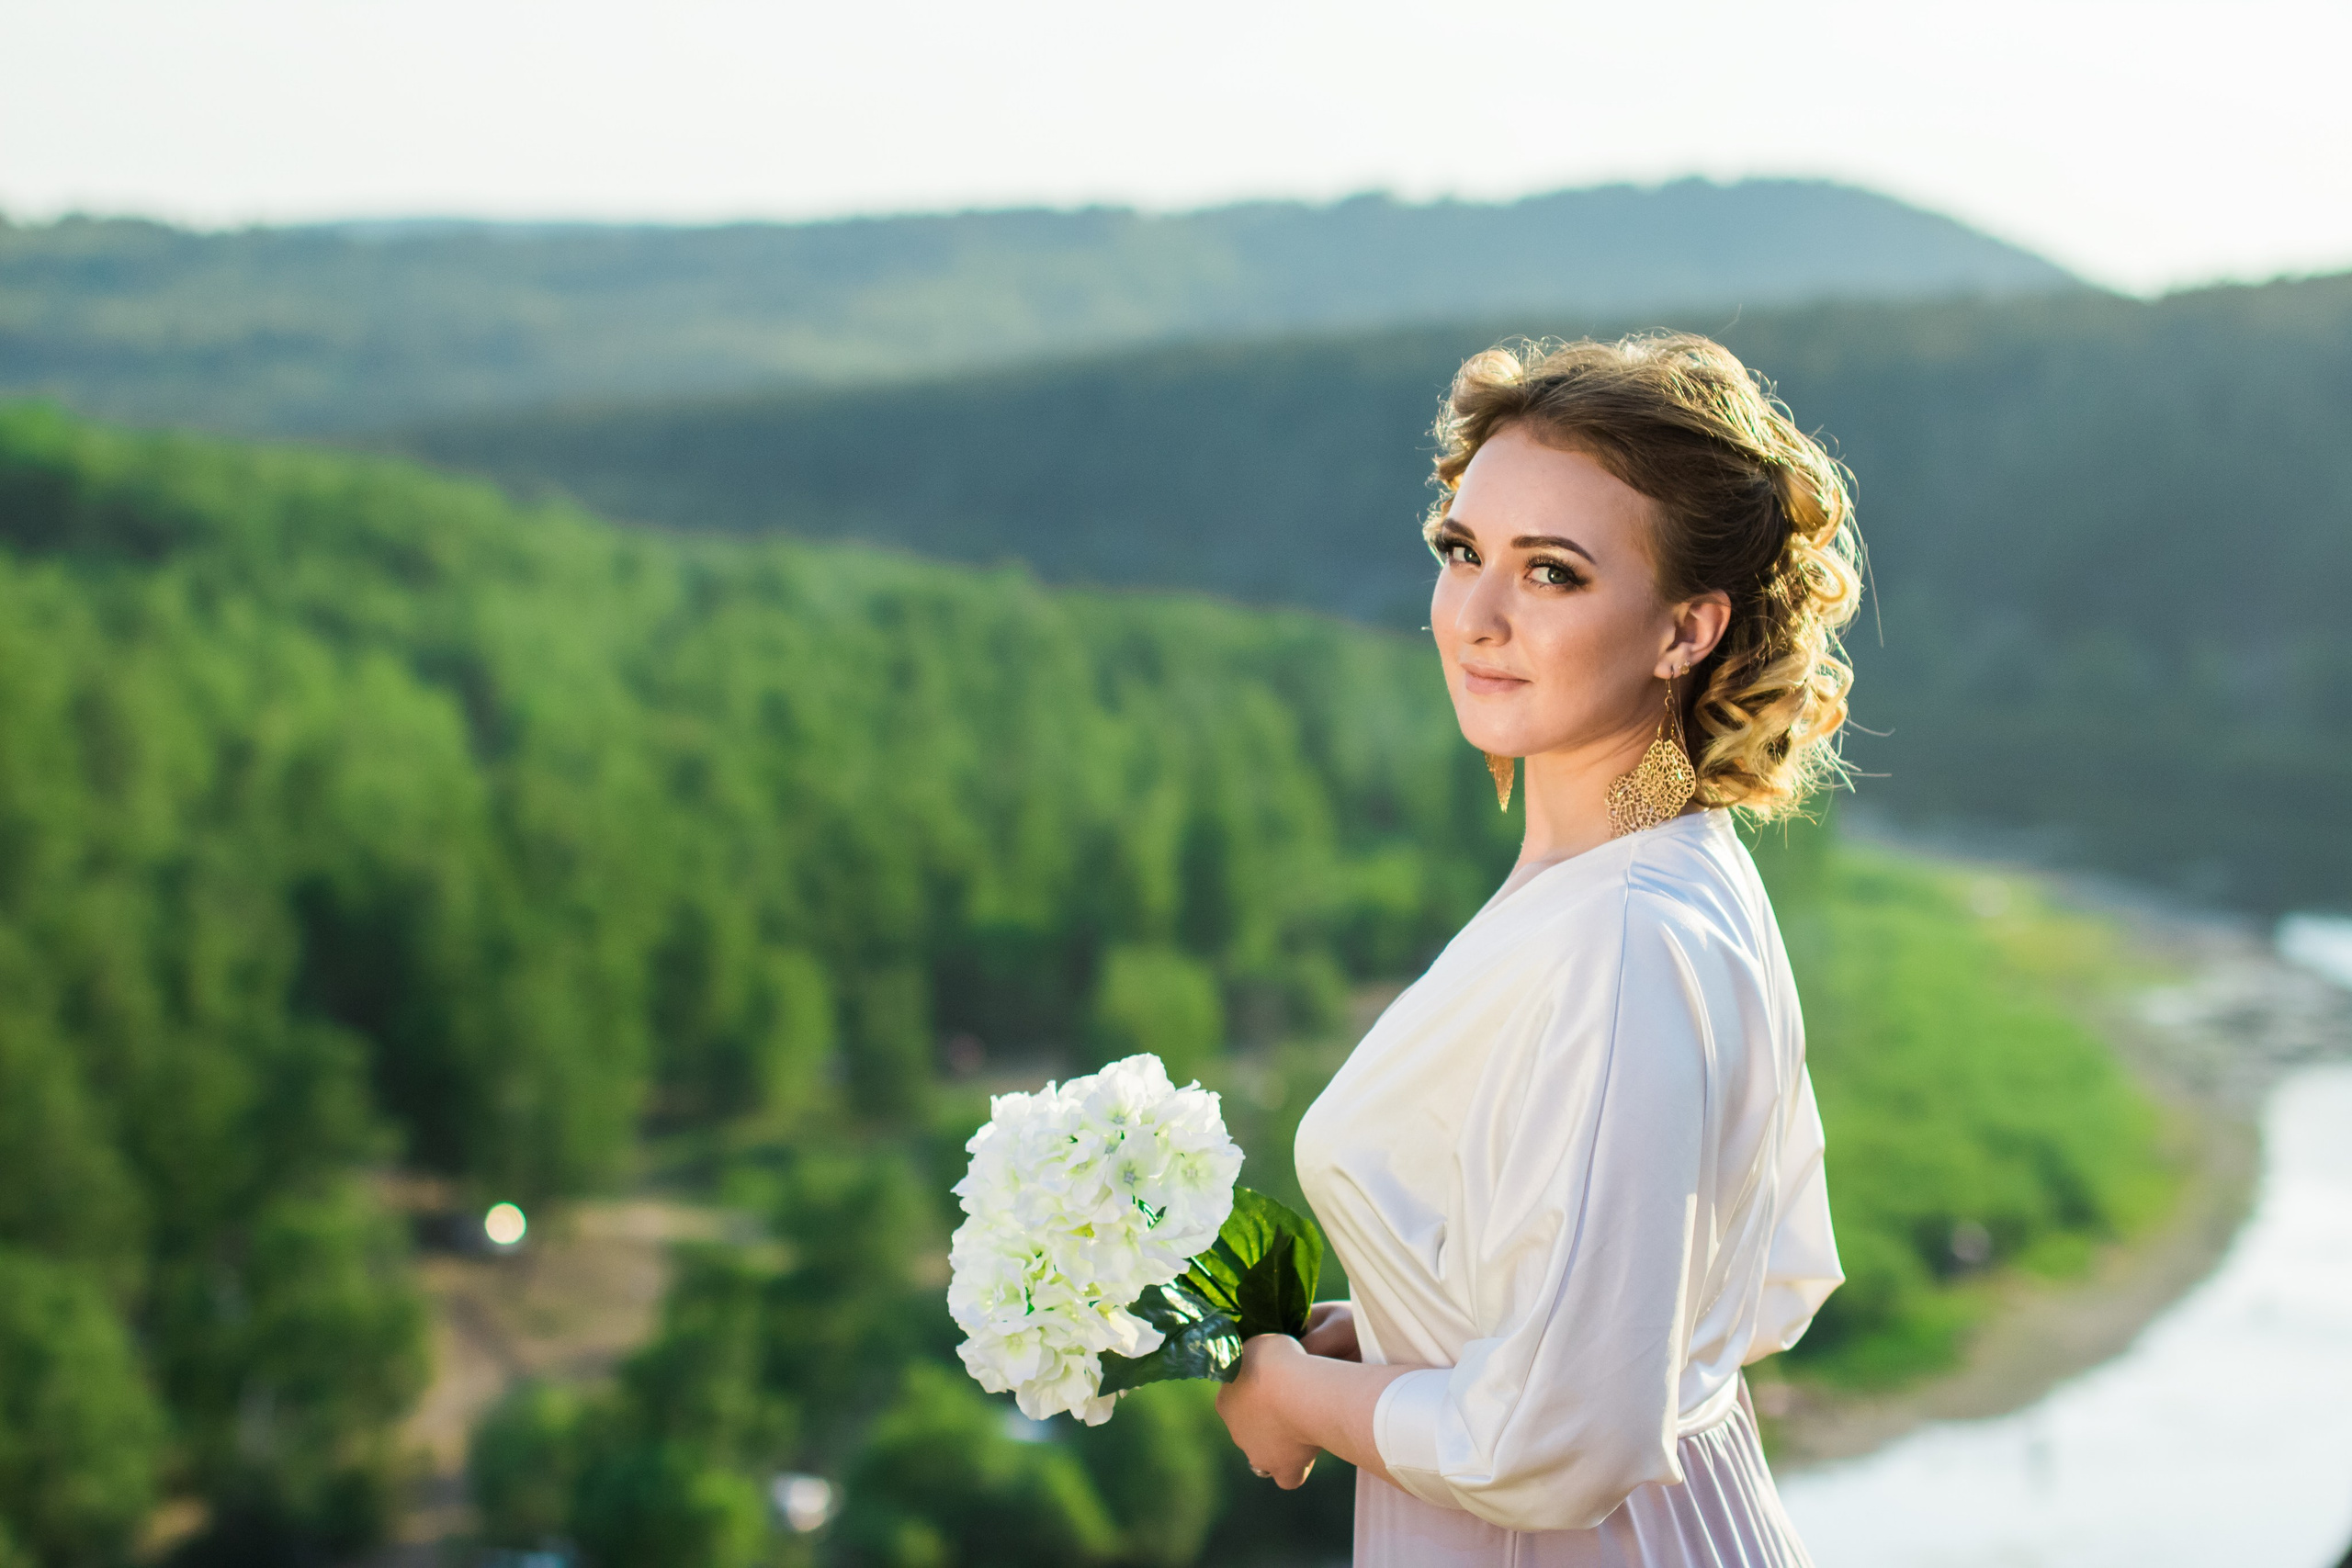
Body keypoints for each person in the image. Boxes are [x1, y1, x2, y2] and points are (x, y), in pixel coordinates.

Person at [1213, 333, 1860, 1566]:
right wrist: (1401, 1328)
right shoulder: (1659, 863)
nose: (1478, 617)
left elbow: (1560, 1440)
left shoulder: (1623, 939)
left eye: (1553, 573)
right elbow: (1690, 1291)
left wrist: (1290, 1394)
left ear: (1686, 629)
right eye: (1462, 552)